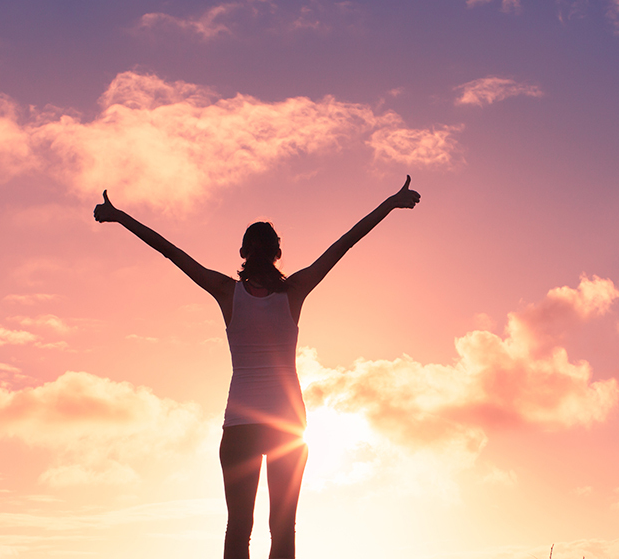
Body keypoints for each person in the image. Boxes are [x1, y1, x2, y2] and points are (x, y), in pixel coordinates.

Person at [93, 176, 421, 559]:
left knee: (238, 530)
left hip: (240, 427)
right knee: (282, 530)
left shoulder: (227, 292)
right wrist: (390, 202)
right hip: (287, 426)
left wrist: (120, 216)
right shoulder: (295, 290)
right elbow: (345, 243)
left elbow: (171, 251)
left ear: (244, 253)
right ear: (277, 253)